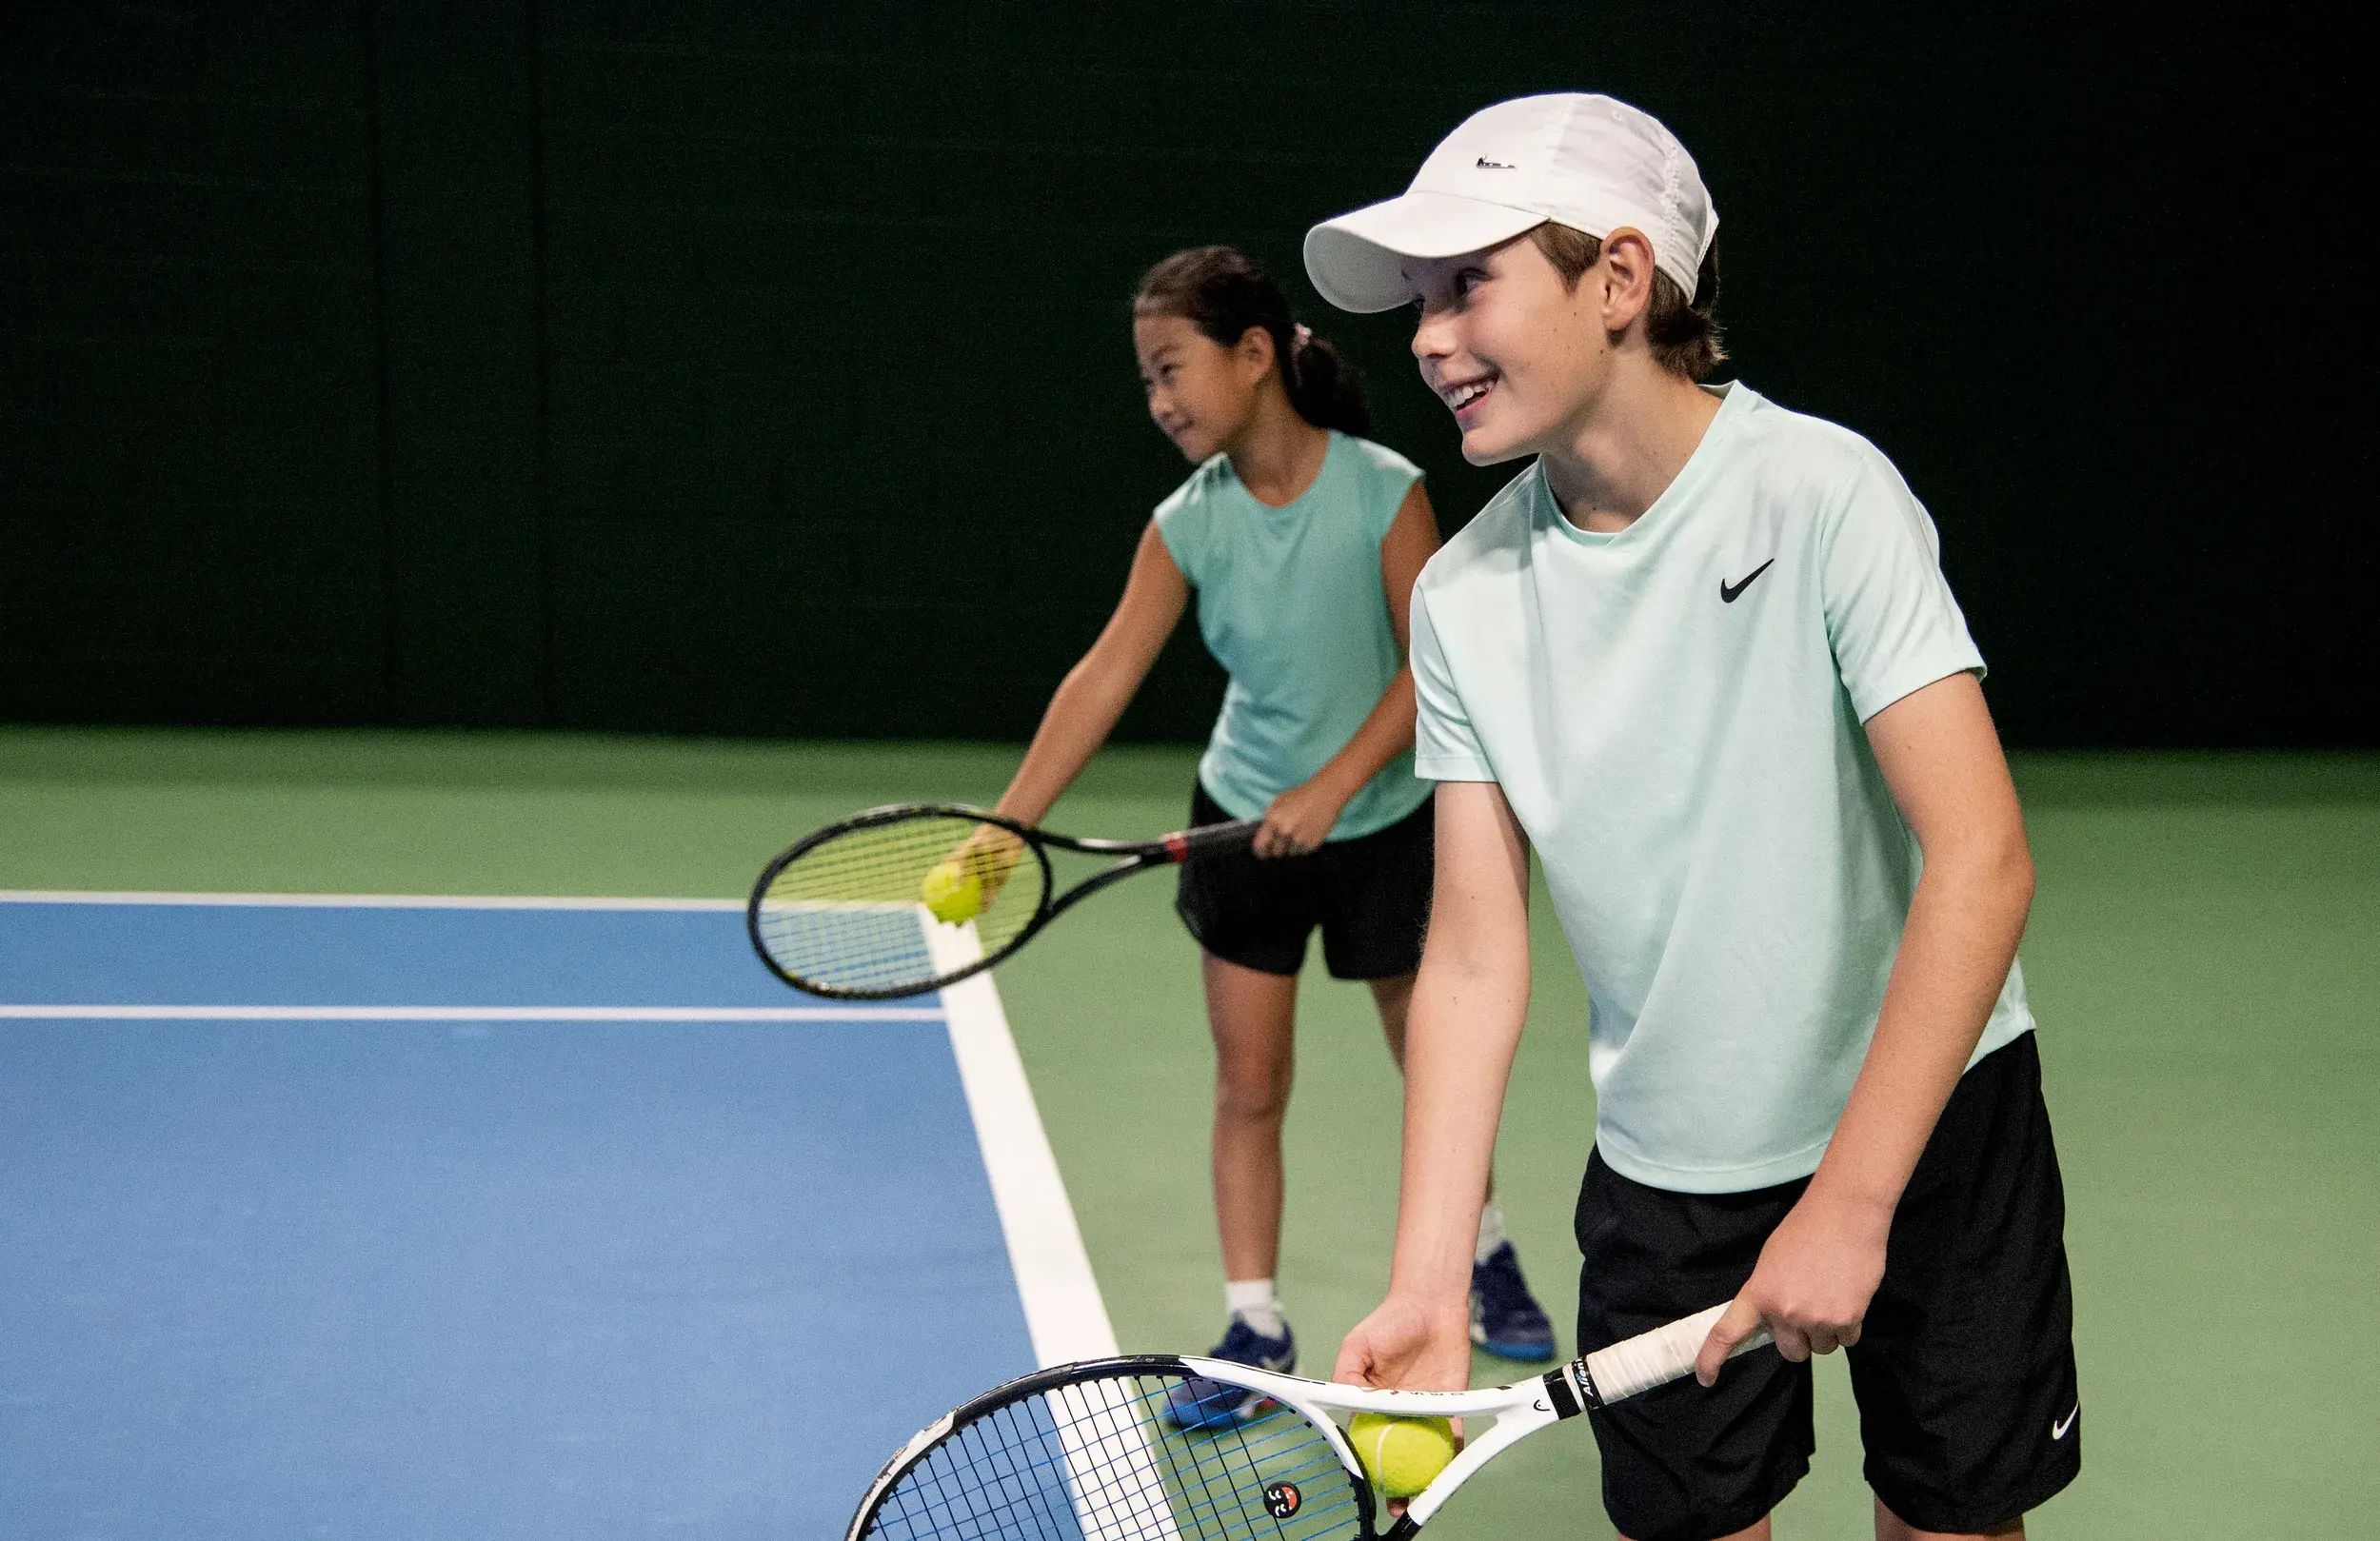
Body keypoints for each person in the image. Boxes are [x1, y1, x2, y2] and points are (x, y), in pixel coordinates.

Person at [1308, 95, 2079, 1540]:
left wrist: (1855, 1199)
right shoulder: (1467, 601)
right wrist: (1426, 1277)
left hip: (1932, 1125)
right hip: (1671, 1171)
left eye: (1467, 281)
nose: (1423, 336)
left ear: (1618, 279)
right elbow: (1474, 954)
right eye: (1417, 300)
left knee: (1950, 1522)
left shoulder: (1826, 494)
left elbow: (1982, 859)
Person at [990, 245, 1559, 1425]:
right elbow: (1103, 675)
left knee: (1430, 1065)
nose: (1158, 401)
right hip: (1243, 821)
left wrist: (1339, 784)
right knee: (1249, 1084)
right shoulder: (1185, 523)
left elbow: (1429, 666)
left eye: (1171, 369)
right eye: (1145, 380)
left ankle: (1482, 1249)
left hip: (1389, 822)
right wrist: (1008, 825)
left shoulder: (1382, 487)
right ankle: (1252, 1318)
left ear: (1256, 356)